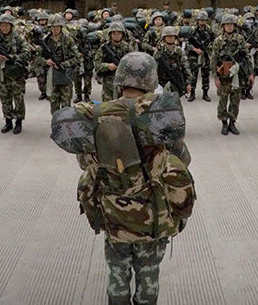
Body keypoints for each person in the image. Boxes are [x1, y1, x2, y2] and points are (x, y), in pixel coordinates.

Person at [74, 52, 193, 305]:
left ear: (119, 81)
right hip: (153, 216)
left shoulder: (100, 115)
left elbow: (85, 162)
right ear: (151, 82)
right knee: (148, 276)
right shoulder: (160, 117)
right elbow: (182, 160)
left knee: (117, 273)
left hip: (114, 215)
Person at [209, 13, 253, 135]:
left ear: (234, 26)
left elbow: (247, 57)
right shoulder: (218, 41)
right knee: (223, 100)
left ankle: (232, 122)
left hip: (237, 76)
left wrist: (250, 73)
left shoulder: (240, 39)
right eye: (227, 25)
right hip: (223, 75)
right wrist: (215, 77)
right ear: (223, 26)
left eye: (231, 25)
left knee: (235, 100)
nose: (229, 27)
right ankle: (224, 122)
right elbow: (213, 59)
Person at [0, 13, 31, 134]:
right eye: (2, 25)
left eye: (7, 25)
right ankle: (8, 121)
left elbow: (27, 53)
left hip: (16, 75)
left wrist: (13, 57)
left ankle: (18, 122)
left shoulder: (18, 38)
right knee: (5, 99)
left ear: (11, 26)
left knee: (18, 99)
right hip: (3, 74)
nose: (4, 28)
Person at [42, 14, 82, 113]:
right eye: (52, 27)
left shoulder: (68, 40)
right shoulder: (45, 41)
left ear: (61, 27)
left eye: (57, 27)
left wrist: (65, 64)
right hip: (52, 78)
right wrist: (46, 61)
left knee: (66, 108)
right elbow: (36, 59)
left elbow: (78, 57)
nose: (55, 29)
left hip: (65, 76)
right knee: (54, 107)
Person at [94, 21, 134, 101]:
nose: (116, 36)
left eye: (118, 34)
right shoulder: (104, 48)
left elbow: (134, 63)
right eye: (114, 34)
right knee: (108, 107)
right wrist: (107, 66)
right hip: (108, 82)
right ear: (110, 35)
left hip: (124, 82)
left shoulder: (127, 47)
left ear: (122, 35)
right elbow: (96, 64)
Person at [153, 26, 193, 97]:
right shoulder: (159, 52)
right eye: (168, 36)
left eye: (172, 36)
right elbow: (153, 68)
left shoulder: (179, 51)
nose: (170, 38)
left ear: (175, 38)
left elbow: (186, 66)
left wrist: (189, 83)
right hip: (161, 82)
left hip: (175, 81)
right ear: (164, 38)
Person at [185, 10, 215, 102]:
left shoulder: (209, 30)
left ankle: (205, 94)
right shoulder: (192, 29)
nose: (202, 22)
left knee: (205, 75)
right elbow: (187, 42)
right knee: (193, 75)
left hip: (205, 56)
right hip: (193, 56)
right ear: (198, 20)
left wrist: (208, 49)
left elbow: (214, 41)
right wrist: (195, 49)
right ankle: (192, 94)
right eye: (201, 20)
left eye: (204, 20)